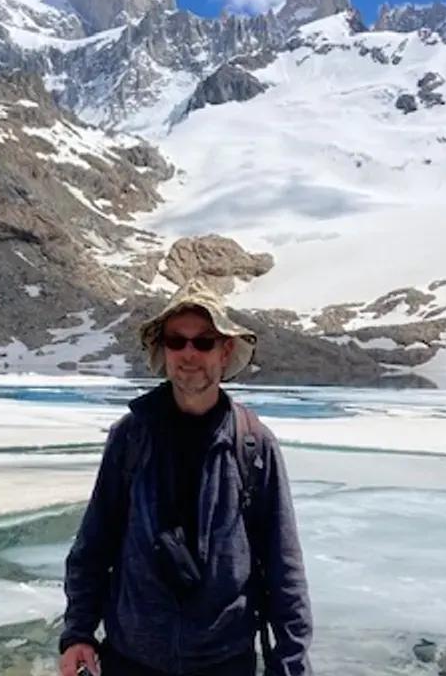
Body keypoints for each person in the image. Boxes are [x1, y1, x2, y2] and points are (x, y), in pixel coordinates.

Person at [58, 281, 312, 676]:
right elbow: (94, 544)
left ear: (225, 351)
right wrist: (78, 633)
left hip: (224, 663)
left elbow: (283, 565)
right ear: (163, 350)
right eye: (177, 341)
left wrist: (291, 662)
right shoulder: (131, 437)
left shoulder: (253, 445)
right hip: (131, 660)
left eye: (204, 342)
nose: (189, 353)